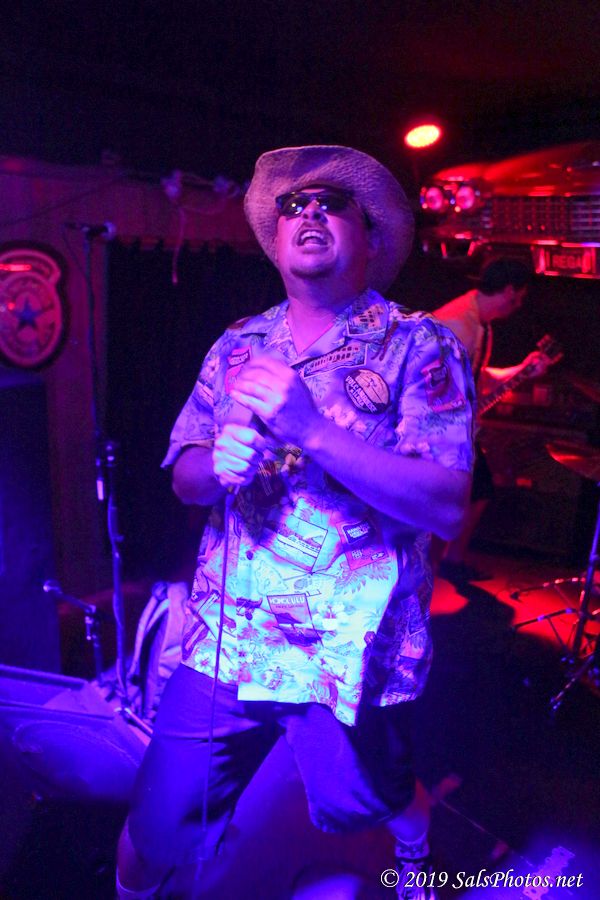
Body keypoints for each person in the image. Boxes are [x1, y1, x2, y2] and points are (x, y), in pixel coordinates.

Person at [116, 145, 475, 899]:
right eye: (292, 205)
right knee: (149, 834)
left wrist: (311, 430)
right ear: (276, 237)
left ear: (371, 236)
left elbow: (445, 503)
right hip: (228, 642)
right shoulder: (238, 342)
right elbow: (184, 476)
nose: (308, 212)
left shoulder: (419, 344)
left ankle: (415, 842)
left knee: (378, 800)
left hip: (348, 655)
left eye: (331, 202)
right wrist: (215, 465)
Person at [434, 257, 550, 583]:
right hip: (437, 432)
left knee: (476, 491)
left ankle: (449, 561)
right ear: (510, 291)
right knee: (456, 496)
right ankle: (440, 564)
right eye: (521, 297)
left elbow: (477, 378)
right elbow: (435, 389)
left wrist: (522, 370)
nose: (519, 305)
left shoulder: (479, 323)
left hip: (449, 429)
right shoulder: (461, 325)